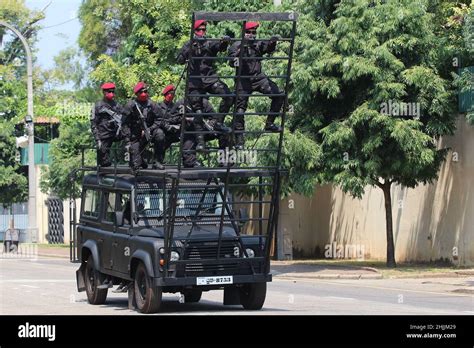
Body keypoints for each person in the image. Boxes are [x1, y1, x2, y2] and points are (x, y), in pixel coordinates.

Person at [177, 19, 233, 151]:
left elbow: (219, 47)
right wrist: (190, 48)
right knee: (198, 112)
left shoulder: (209, 43)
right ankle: (201, 142)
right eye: (199, 30)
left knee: (229, 96)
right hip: (194, 83)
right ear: (194, 31)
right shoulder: (189, 44)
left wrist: (224, 42)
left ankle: (218, 123)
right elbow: (179, 60)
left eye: (204, 30)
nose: (202, 32)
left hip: (209, 79)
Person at [228, 22, 284, 149]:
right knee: (240, 110)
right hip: (243, 81)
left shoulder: (257, 43)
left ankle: (269, 124)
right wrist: (241, 50)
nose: (252, 35)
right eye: (249, 32)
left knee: (279, 94)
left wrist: (272, 42)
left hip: (258, 78)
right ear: (244, 33)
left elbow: (267, 48)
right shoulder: (236, 45)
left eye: (254, 33)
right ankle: (239, 139)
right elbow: (232, 62)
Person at [122, 82, 166, 172]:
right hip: (135, 135)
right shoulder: (130, 105)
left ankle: (157, 161)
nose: (144, 94)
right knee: (135, 165)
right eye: (141, 92)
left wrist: (150, 129)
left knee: (160, 134)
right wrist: (127, 140)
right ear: (136, 94)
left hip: (150, 131)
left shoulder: (152, 105)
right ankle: (141, 161)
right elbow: (124, 123)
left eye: (145, 91)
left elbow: (160, 119)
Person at [156, 85, 199, 168]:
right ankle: (158, 160)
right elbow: (158, 120)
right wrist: (167, 126)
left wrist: (181, 122)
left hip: (174, 131)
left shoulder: (175, 106)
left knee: (187, 136)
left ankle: (188, 160)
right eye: (170, 94)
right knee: (161, 138)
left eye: (173, 94)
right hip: (164, 130)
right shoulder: (159, 106)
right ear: (166, 95)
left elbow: (177, 117)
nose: (171, 96)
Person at [90, 82, 125, 166]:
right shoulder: (98, 105)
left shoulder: (117, 105)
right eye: (109, 92)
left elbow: (124, 118)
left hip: (116, 133)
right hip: (104, 135)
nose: (111, 94)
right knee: (103, 163)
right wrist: (97, 139)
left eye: (113, 92)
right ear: (104, 92)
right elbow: (93, 123)